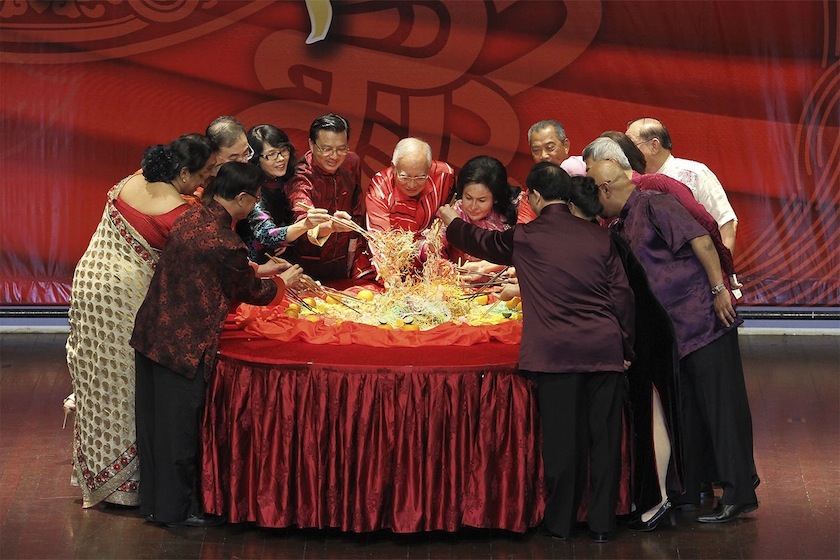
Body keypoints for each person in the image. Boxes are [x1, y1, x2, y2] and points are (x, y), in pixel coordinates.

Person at [439, 162, 635, 543]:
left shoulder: (527, 236)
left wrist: (452, 220)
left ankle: (560, 523)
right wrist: (625, 346)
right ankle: (602, 524)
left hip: (556, 354)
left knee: (562, 441)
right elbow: (622, 297)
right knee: (605, 440)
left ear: (536, 197)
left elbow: (482, 244)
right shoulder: (599, 237)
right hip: (603, 348)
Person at [130, 162, 303, 528]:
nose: (255, 204)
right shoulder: (225, 242)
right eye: (254, 198)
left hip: (151, 333)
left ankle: (154, 503)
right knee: (179, 433)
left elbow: (222, 272)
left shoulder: (192, 219)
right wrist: (284, 281)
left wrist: (257, 269)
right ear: (241, 198)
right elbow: (252, 292)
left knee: (153, 427)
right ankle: (175, 512)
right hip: (183, 344)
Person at [589, 159, 759, 524]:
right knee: (689, 411)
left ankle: (739, 492)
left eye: (594, 192)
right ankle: (691, 489)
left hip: (702, 319)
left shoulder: (654, 203)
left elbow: (700, 239)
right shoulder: (620, 222)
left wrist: (719, 289)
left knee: (721, 409)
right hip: (673, 333)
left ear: (605, 188)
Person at [65, 134, 215, 508]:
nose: (201, 185)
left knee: (98, 383)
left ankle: (97, 475)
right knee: (128, 387)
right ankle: (127, 488)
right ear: (182, 172)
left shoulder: (137, 176)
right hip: (125, 300)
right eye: (202, 175)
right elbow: (210, 259)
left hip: (89, 285)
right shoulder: (179, 211)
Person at [566, 175, 683, 532]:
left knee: (652, 413)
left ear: (571, 208)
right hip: (637, 329)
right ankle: (648, 498)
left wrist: (627, 345)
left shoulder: (602, 240)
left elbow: (625, 298)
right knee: (644, 416)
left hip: (645, 332)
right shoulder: (600, 237)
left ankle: (658, 499)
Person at [582, 138, 738, 292]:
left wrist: (722, 279)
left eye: (590, 169)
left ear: (612, 163)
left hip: (691, 296)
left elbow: (703, 224)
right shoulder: (606, 208)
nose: (588, 177)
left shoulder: (655, 184)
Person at [625, 117, 738, 254]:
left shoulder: (694, 173)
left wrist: (722, 272)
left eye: (630, 145)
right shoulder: (631, 183)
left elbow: (726, 223)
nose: (626, 153)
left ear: (654, 145)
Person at [285, 113, 368, 280]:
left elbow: (356, 206)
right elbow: (304, 224)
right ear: (311, 144)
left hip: (344, 258)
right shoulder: (301, 176)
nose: (334, 156)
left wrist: (354, 250)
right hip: (308, 264)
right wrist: (332, 226)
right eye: (326, 149)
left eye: (341, 148)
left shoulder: (352, 162)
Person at [238, 124, 332, 263]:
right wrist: (303, 225)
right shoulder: (251, 190)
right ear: (256, 159)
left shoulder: (289, 179)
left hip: (286, 260)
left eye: (283, 151)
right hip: (256, 263)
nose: (281, 158)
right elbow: (267, 235)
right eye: (271, 154)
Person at [439, 156, 520, 280]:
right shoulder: (455, 212)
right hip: (459, 285)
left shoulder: (515, 208)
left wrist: (492, 269)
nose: (473, 206)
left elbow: (523, 254)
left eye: (481, 200)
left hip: (502, 287)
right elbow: (432, 251)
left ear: (496, 198)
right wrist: (450, 270)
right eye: (468, 198)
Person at [520, 120, 587, 223]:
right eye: (536, 150)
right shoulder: (533, 191)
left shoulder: (584, 174)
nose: (543, 156)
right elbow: (526, 225)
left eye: (550, 148)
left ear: (566, 146)